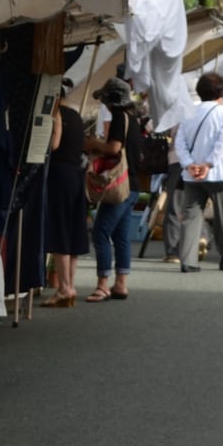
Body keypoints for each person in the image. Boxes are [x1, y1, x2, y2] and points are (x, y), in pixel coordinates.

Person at [171, 72, 223, 273]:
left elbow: (180, 143)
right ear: (221, 93)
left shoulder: (188, 113)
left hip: (192, 175)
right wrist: (208, 165)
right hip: (219, 173)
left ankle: (188, 260)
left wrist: (189, 164)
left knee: (191, 217)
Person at [84, 78, 136, 302]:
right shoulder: (133, 120)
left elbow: (114, 148)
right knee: (121, 236)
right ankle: (121, 284)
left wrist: (94, 145)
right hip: (133, 184)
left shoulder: (118, 118)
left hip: (118, 185)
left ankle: (102, 284)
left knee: (101, 232)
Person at [40, 81, 90, 306]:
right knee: (74, 230)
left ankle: (64, 287)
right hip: (77, 176)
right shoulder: (77, 116)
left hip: (59, 175)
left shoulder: (57, 114)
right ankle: (71, 284)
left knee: (59, 230)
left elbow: (55, 144)